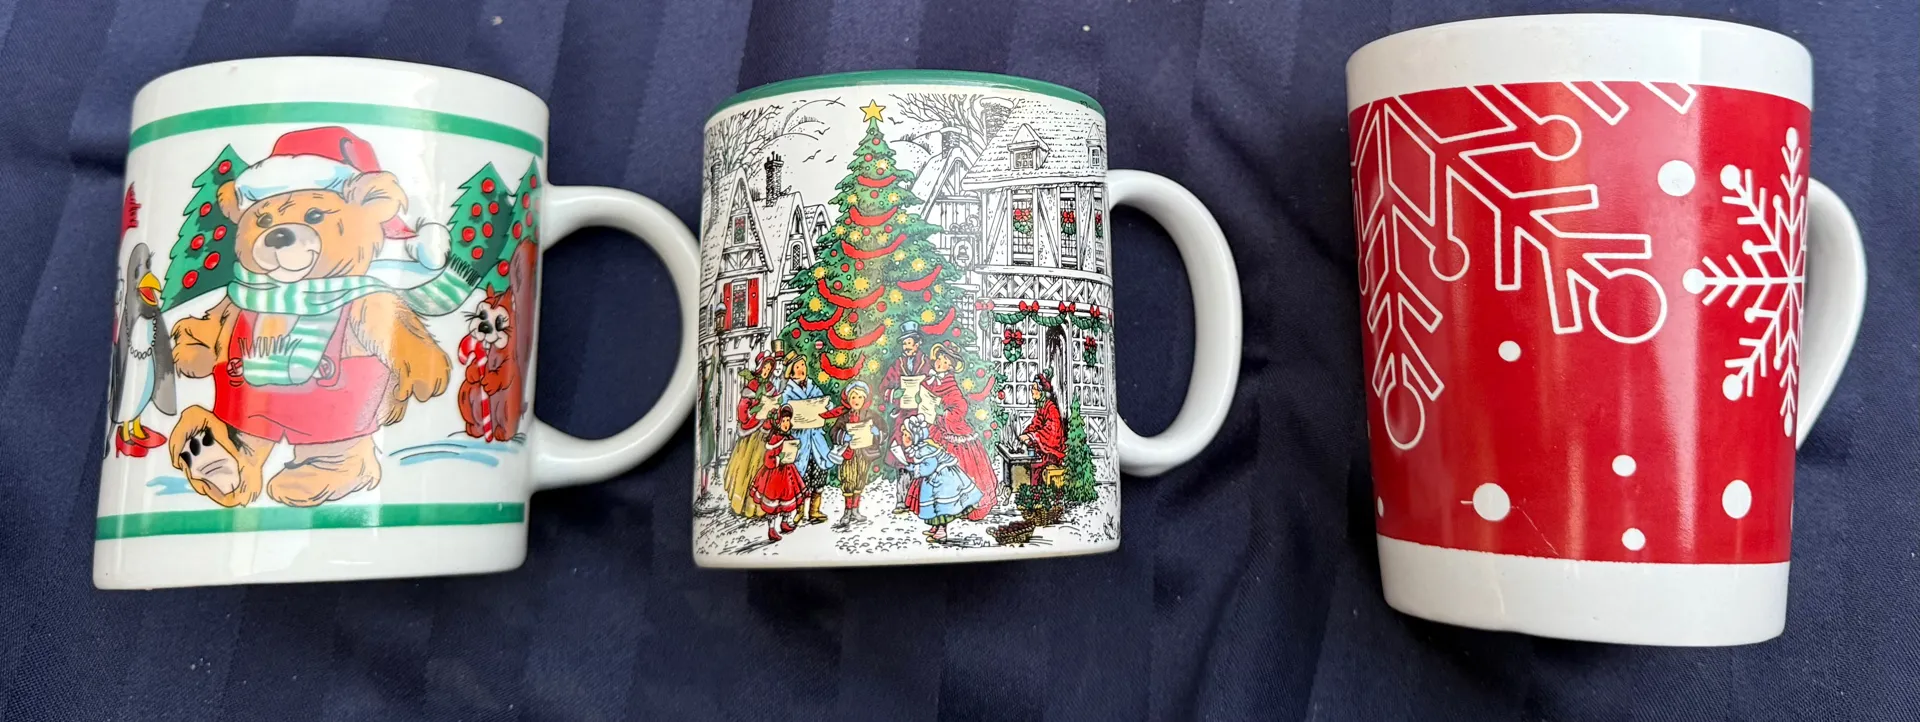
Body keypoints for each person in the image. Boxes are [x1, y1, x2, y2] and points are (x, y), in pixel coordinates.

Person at [918, 341, 998, 518]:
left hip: (952, 426)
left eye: (946, 362)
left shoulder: (949, 382)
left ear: (951, 367)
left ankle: (966, 503)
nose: (941, 363)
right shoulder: (930, 379)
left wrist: (943, 415)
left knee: (959, 465)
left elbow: (960, 406)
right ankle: (943, 503)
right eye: (940, 359)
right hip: (935, 425)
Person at [890, 416, 982, 542]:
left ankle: (941, 530)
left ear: (915, 437)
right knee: (932, 505)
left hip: (942, 481)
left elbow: (928, 468)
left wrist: (913, 468)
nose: (903, 438)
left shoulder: (926, 450)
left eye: (907, 436)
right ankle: (935, 527)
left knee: (941, 506)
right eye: (904, 435)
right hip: (933, 480)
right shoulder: (920, 447)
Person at [781, 354, 843, 525]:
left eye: (803, 365)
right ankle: (799, 511)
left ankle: (814, 510)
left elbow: (824, 403)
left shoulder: (812, 386)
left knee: (819, 474)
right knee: (800, 477)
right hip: (800, 441)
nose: (801, 369)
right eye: (797, 367)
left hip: (816, 440)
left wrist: (827, 406)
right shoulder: (788, 392)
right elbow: (783, 411)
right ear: (791, 372)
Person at [723, 352, 782, 518]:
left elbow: (775, 407)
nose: (767, 371)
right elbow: (742, 411)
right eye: (765, 368)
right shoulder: (751, 387)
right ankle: (741, 503)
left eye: (769, 369)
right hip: (751, 434)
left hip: (765, 433)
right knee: (745, 467)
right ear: (760, 368)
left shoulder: (771, 388)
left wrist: (772, 413)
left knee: (761, 469)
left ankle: (758, 506)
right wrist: (755, 414)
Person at [877, 322, 927, 515]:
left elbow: (933, 385)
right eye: (904, 344)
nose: (906, 347)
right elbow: (883, 388)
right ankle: (902, 499)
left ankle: (920, 500)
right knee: (901, 458)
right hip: (902, 417)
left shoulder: (926, 363)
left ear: (917, 343)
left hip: (921, 417)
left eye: (909, 343)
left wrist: (923, 395)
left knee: (921, 457)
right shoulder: (898, 364)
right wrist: (894, 394)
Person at [830, 381, 883, 530]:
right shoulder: (844, 417)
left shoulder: (870, 415)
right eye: (853, 397)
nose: (856, 400)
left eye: (860, 397)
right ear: (848, 399)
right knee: (848, 480)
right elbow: (833, 432)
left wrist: (877, 433)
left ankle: (855, 509)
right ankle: (847, 511)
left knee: (860, 479)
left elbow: (883, 428)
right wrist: (843, 436)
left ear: (865, 399)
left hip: (864, 453)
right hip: (849, 454)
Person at [750, 407, 804, 541]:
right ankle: (771, 529)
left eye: (788, 420)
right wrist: (779, 458)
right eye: (783, 420)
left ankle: (785, 522)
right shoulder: (774, 440)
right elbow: (768, 461)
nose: (786, 423)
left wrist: (794, 452)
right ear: (778, 422)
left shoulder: (789, 438)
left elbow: (791, 453)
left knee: (788, 498)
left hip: (788, 473)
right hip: (775, 475)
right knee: (773, 502)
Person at [1020, 372, 1067, 471]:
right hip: (1043, 451)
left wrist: (1032, 436)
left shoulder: (1051, 408)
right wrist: (1025, 434)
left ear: (1041, 392)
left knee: (1033, 467)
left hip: (1052, 453)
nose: (1032, 391)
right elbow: (1035, 424)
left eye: (1034, 388)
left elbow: (1053, 433)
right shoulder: (1041, 407)